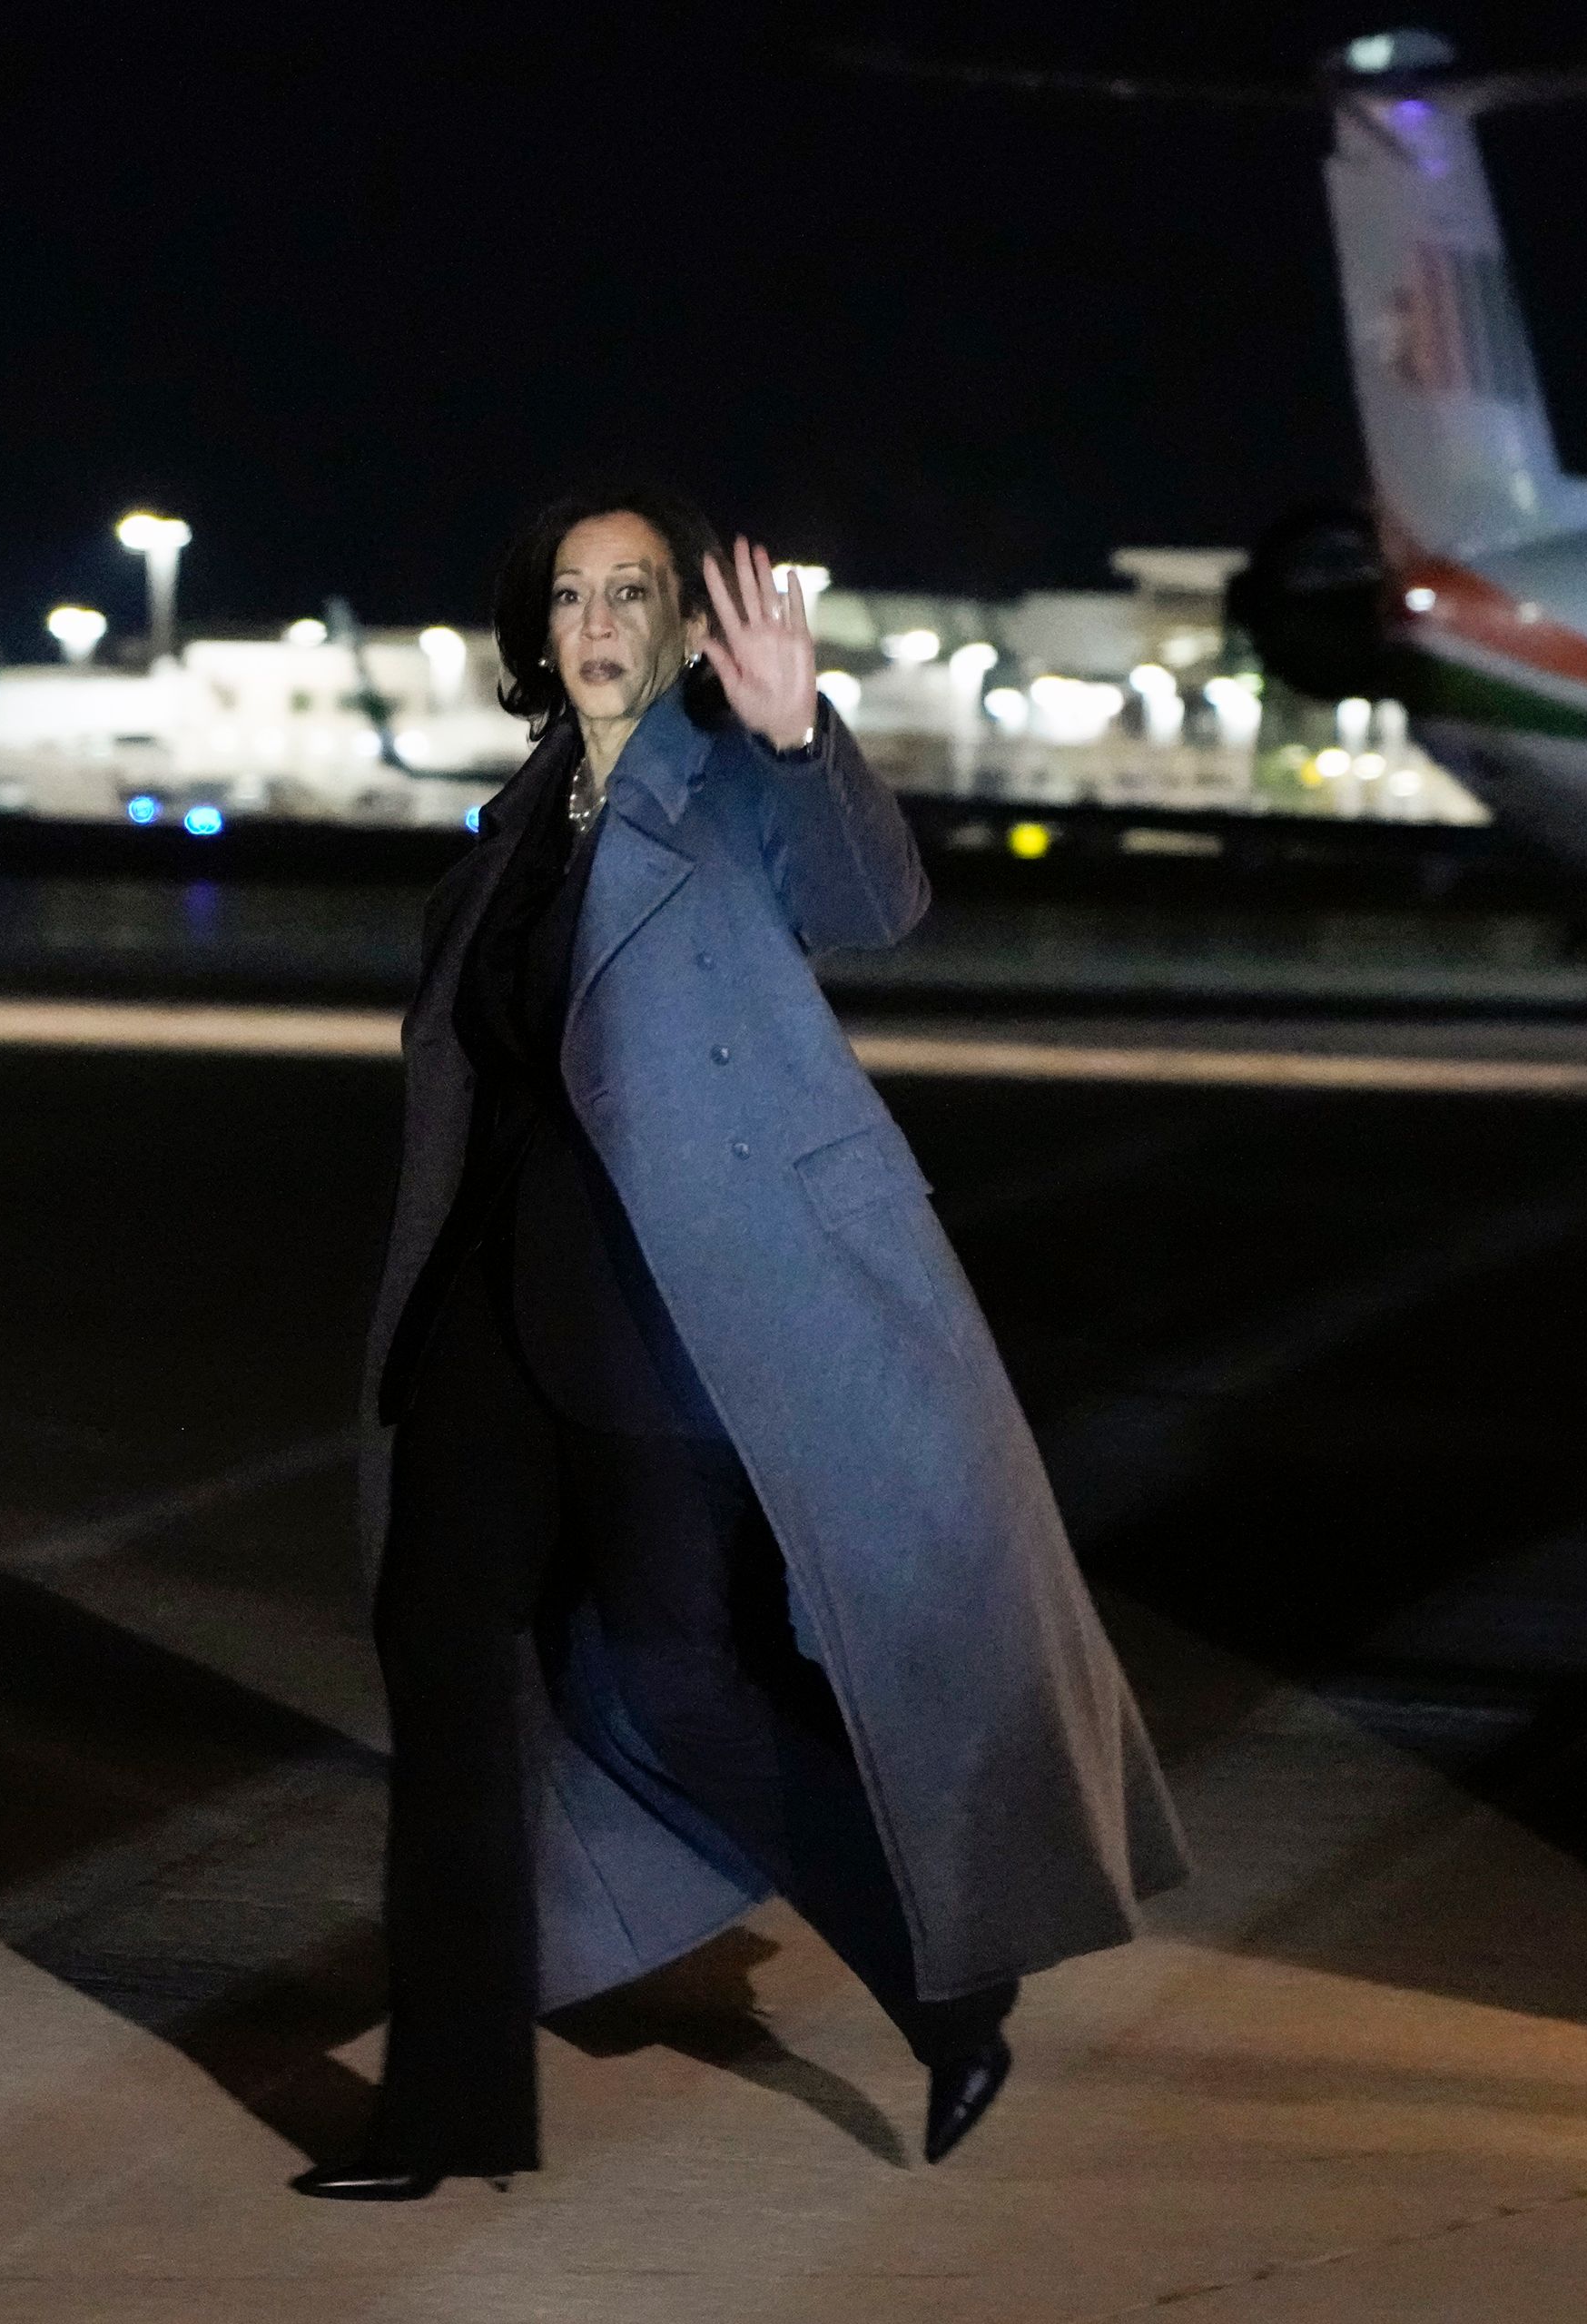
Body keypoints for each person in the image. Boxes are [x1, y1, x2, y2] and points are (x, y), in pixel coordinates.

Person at [301, 487, 1185, 2201]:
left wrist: (800, 736)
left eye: (634, 588)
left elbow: (870, 900)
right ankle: (446, 2114)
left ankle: (950, 1978)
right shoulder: (515, 821)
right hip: (491, 1322)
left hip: (669, 1324)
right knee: (446, 1679)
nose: (601, 618)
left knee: (690, 1689)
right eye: (571, 593)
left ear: (689, 620)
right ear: (536, 629)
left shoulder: (732, 787)